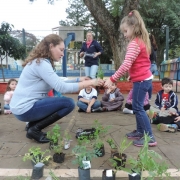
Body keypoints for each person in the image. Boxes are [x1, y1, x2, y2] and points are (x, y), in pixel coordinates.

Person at [10, 34, 104, 144]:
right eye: (61, 50)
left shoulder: (40, 62)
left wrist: (79, 79)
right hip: (25, 109)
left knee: (61, 102)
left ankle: (32, 125)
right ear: (51, 46)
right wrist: (91, 82)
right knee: (68, 103)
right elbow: (62, 87)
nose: (62, 54)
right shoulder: (41, 63)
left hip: (21, 109)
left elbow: (58, 82)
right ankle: (34, 130)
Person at [104, 10, 157, 147]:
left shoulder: (134, 43)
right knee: (137, 106)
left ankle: (150, 137)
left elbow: (127, 63)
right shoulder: (142, 41)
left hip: (141, 80)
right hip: (143, 78)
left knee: (138, 107)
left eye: (125, 31)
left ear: (133, 27)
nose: (124, 35)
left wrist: (113, 79)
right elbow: (143, 62)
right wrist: (132, 74)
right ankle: (140, 131)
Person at [148, 33, 158, 100]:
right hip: (154, 65)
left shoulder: (148, 47)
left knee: (146, 82)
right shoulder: (154, 46)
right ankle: (149, 97)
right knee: (149, 82)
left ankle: (148, 97)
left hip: (150, 65)